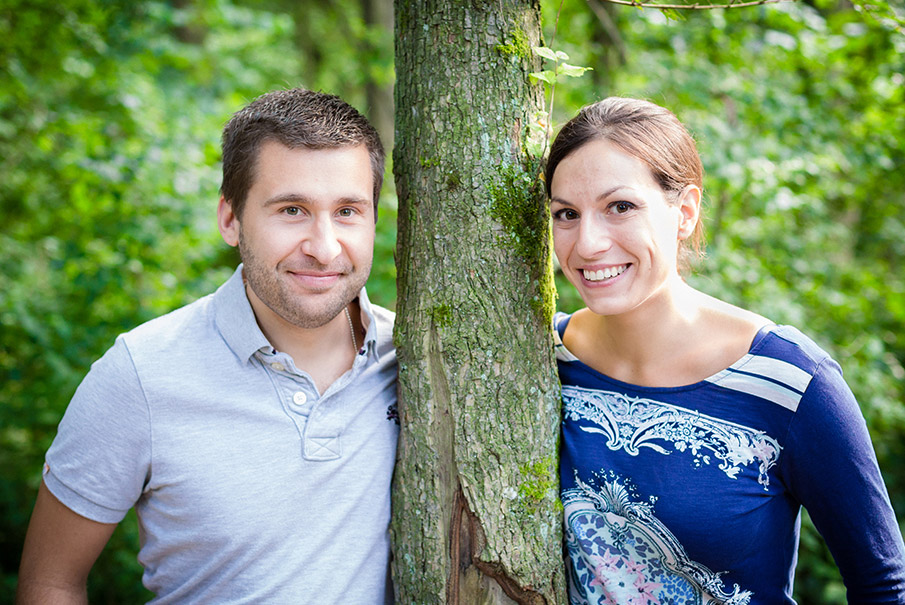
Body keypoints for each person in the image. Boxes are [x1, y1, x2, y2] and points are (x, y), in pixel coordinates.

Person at [16, 88, 398, 604]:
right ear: (230, 219)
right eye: (292, 209)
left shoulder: (415, 362)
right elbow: (50, 582)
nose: (324, 246)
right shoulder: (141, 374)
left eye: (348, 211)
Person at [546, 97, 905, 604]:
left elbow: (885, 587)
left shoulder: (789, 381)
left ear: (685, 212)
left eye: (620, 207)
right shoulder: (544, 361)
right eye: (566, 214)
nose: (587, 243)